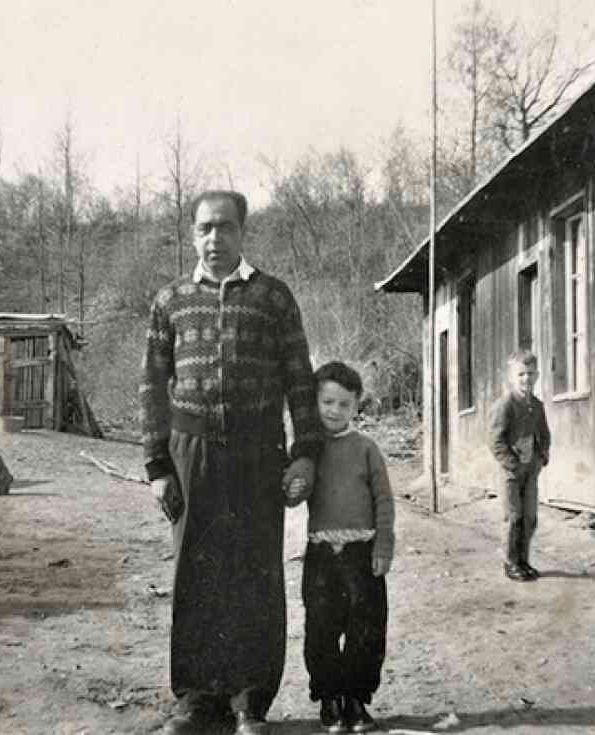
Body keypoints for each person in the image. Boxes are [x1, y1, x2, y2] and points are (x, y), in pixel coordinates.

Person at [140, 190, 322, 735]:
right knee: (196, 575)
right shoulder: (170, 300)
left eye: (224, 228)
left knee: (255, 575)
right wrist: (157, 466)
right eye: (203, 229)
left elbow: (299, 379)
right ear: (191, 235)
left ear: (243, 231)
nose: (213, 239)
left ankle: (249, 702)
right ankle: (197, 699)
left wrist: (305, 455)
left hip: (257, 454)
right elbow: (152, 387)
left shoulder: (273, 297)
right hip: (190, 454)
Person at [286, 361, 394, 734]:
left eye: (344, 404)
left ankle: (356, 700)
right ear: (314, 402)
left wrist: (383, 546)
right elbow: (291, 492)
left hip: (361, 554)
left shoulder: (366, 448)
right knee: (321, 629)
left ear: (356, 406)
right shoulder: (309, 449)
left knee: (367, 629)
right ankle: (330, 699)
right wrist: (294, 486)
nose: (334, 411)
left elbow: (384, 499)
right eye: (327, 402)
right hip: (321, 557)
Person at [488, 348, 552, 582]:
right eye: (521, 374)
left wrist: (542, 455)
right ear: (511, 377)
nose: (527, 379)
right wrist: (512, 464)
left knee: (529, 517)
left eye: (531, 374)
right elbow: (494, 440)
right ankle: (510, 561)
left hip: (530, 471)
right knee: (513, 517)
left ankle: (524, 560)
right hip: (511, 473)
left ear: (537, 375)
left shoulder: (537, 405)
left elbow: (544, 433)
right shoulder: (505, 405)